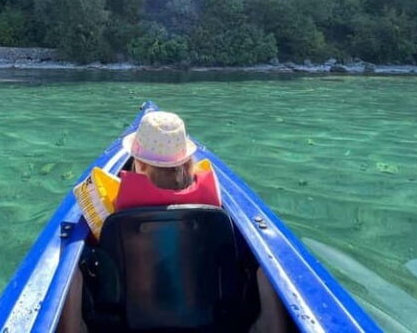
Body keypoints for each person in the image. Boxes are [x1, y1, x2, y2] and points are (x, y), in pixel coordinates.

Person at [57, 111, 287, 333]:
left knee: (70, 264)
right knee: (266, 260)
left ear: (139, 163)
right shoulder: (211, 197)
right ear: (187, 160)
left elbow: (98, 239)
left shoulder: (122, 201)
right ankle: (268, 325)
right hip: (208, 308)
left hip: (128, 309)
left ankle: (75, 327)